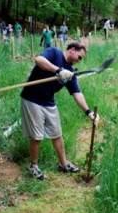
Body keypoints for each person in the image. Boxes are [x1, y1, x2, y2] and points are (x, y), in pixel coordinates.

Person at [20, 42, 99, 180]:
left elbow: (77, 93)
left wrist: (88, 112)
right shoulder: (54, 53)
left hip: (48, 102)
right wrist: (58, 70)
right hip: (32, 99)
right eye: (80, 57)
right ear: (73, 50)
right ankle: (34, 165)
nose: (79, 60)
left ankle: (63, 164)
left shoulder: (70, 72)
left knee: (57, 134)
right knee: (37, 136)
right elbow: (39, 60)